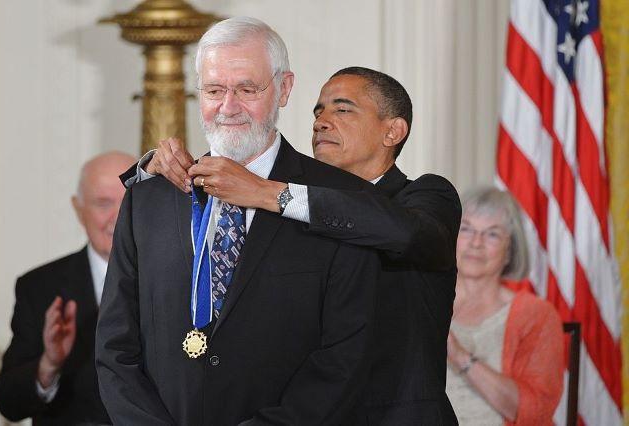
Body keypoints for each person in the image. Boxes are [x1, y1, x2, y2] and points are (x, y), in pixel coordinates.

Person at [129, 66, 462, 423]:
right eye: (318, 111)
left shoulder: (425, 195)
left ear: (393, 130)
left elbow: (407, 233)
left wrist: (268, 192)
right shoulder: (290, 209)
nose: (321, 121)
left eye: (342, 109)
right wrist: (152, 169)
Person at [95, 17, 380, 426]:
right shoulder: (149, 198)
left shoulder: (338, 199)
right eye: (214, 90)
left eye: (247, 89)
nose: (228, 107)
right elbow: (115, 347)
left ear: (283, 89)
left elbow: (345, 357)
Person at [0, 151, 135, 426]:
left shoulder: (182, 280)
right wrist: (49, 364)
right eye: (103, 203)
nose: (117, 216)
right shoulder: (39, 288)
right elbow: (9, 402)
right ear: (78, 209)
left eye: (129, 201)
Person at [446, 187, 563, 425]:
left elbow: (536, 412)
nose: (476, 243)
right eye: (466, 229)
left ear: (510, 251)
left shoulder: (536, 315)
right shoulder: (422, 301)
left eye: (492, 235)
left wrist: (459, 356)